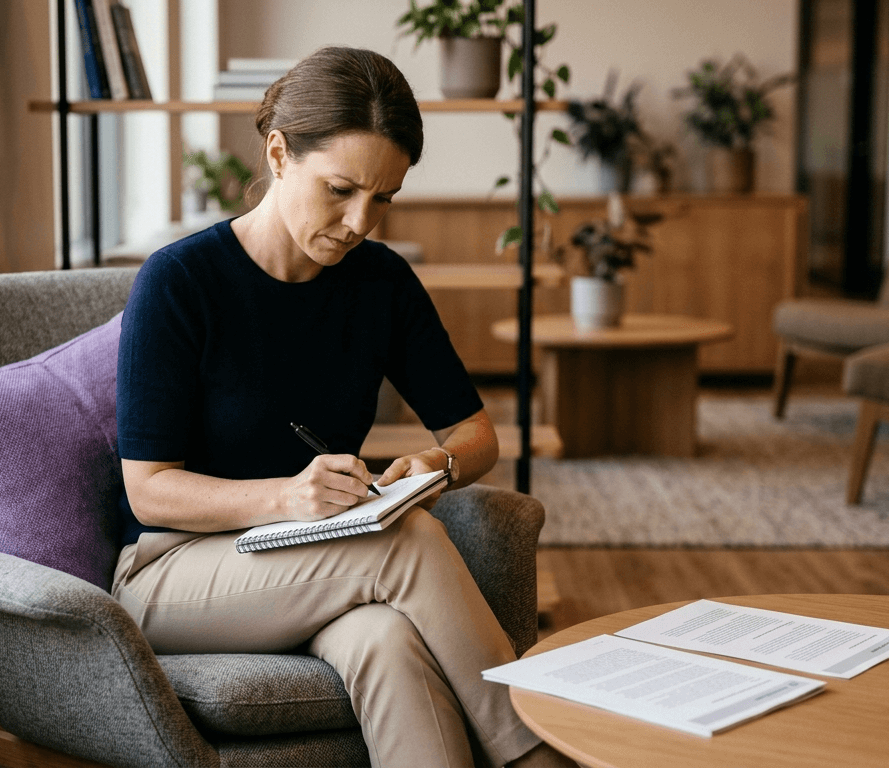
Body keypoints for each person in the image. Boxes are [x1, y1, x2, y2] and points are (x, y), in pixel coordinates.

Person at [114, 46, 574, 768]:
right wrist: (287, 498)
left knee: (387, 641)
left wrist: (438, 463)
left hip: (313, 561)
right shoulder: (179, 282)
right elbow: (148, 489)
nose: (362, 221)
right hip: (173, 571)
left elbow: (476, 434)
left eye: (384, 197)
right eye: (340, 189)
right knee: (406, 542)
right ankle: (535, 752)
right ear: (278, 155)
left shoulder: (381, 284)